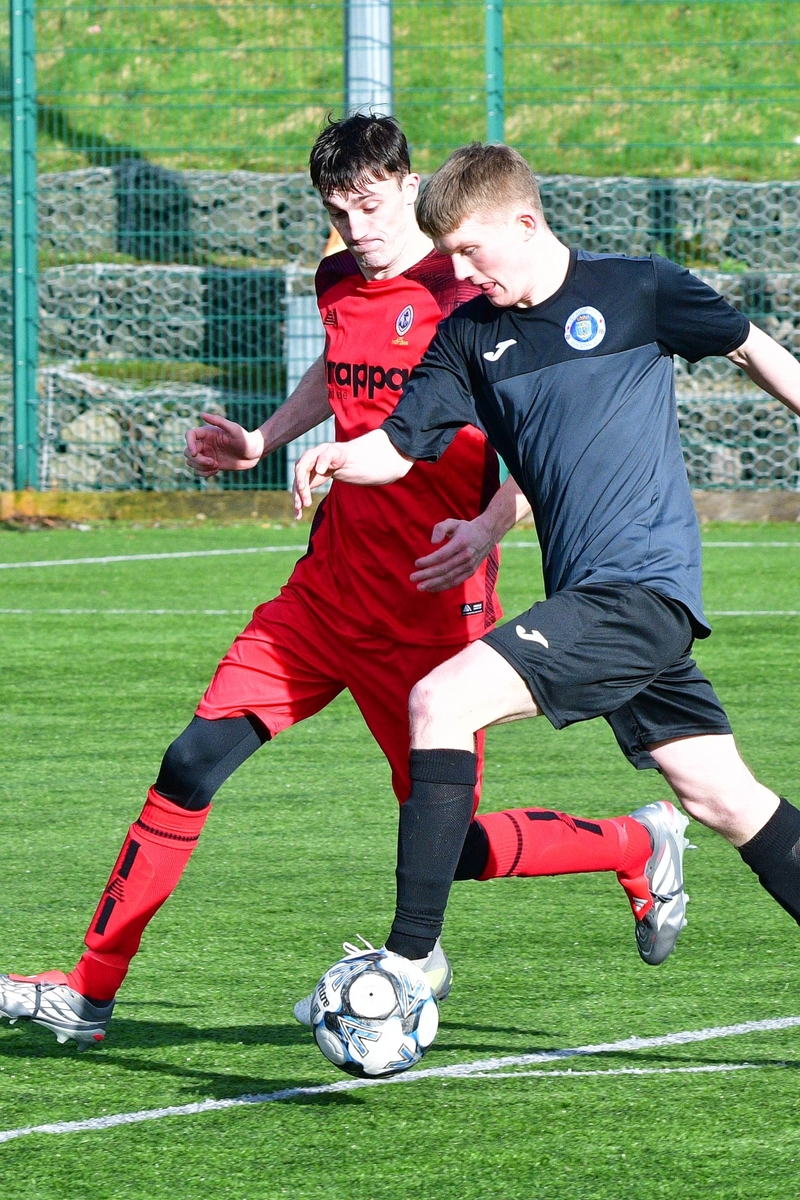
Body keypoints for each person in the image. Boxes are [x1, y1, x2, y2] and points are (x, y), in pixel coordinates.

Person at [0, 124, 684, 1051]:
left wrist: (489, 525)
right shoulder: (337, 279)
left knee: (456, 849)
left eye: (369, 205)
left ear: (408, 186)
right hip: (323, 598)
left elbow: (551, 430)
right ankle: (88, 990)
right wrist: (262, 441)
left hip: (432, 615)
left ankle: (635, 845)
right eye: (335, 210)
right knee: (190, 762)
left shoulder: (474, 294)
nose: (353, 226)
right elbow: (340, 367)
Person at [293, 141, 800, 976]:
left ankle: (407, 966)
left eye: (468, 250)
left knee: (439, 700)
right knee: (724, 797)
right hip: (600, 603)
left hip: (638, 593)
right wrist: (340, 455)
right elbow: (398, 445)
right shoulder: (468, 335)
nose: (459, 269)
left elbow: (750, 345)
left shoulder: (638, 290)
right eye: (447, 252)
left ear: (525, 222)